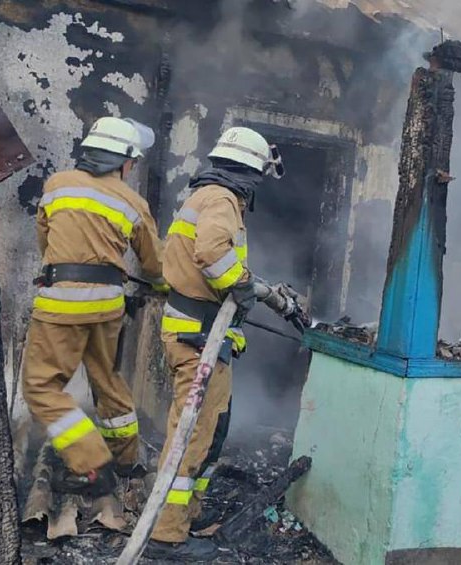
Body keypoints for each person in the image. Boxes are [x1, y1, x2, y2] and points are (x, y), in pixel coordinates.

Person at [145, 127, 302, 560]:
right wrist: (247, 287)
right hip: (199, 336)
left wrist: (263, 292)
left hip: (203, 333)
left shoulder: (205, 194)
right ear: (251, 169)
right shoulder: (222, 199)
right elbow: (213, 254)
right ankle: (166, 537)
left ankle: (182, 518)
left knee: (207, 430)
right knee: (194, 434)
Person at [22, 116, 165, 497]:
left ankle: (92, 461)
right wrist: (163, 286)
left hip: (60, 307)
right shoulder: (134, 203)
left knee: (40, 387)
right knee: (107, 379)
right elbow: (154, 267)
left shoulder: (57, 186)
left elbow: (46, 243)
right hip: (107, 308)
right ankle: (124, 458)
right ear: (123, 161)